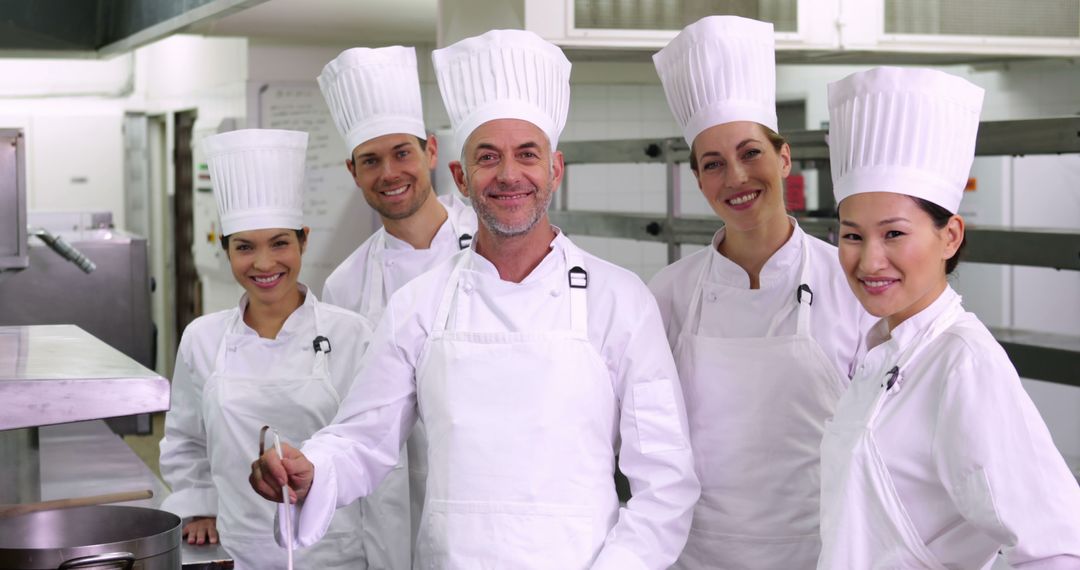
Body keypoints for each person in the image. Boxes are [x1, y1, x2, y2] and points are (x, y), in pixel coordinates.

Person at [250, 29, 700, 569]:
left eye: (527, 155)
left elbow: (666, 479)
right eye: (488, 158)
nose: (509, 175)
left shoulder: (620, 299)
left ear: (554, 170)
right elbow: (362, 439)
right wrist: (314, 467)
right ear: (461, 177)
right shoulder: (419, 305)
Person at [819, 66, 1080, 569]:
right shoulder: (884, 351)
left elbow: (1058, 547)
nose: (869, 261)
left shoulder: (963, 362)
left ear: (951, 236)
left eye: (894, 234)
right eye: (852, 236)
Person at [648, 16, 869, 568]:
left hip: (820, 552)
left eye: (751, 153)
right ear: (699, 180)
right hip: (696, 554)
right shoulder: (668, 294)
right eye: (714, 164)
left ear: (784, 158)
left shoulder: (850, 283)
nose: (736, 178)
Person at [159, 129, 374, 569]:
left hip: (336, 550)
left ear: (303, 241)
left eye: (280, 242)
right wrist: (199, 504)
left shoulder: (352, 335)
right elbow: (185, 438)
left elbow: (370, 444)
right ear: (226, 249)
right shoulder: (202, 338)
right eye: (244, 247)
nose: (263, 263)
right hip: (239, 547)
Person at [317, 45, 477, 569]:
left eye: (402, 153)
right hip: (388, 500)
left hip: (480, 488)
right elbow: (349, 417)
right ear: (353, 170)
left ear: (431, 151)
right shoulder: (344, 285)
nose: (389, 172)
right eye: (371, 160)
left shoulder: (489, 248)